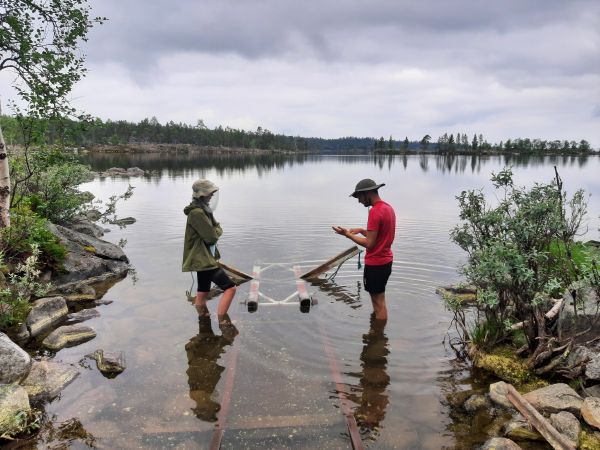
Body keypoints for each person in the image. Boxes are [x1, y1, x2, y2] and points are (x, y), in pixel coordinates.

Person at [332, 178, 396, 320]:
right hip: (386, 262)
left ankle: (378, 337)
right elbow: (381, 236)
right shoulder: (388, 208)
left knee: (378, 304)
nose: (359, 201)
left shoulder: (374, 212)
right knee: (380, 300)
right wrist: (362, 230)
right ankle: (378, 333)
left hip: (376, 264)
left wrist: (347, 234)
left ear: (367, 193)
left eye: (359, 197)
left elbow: (369, 244)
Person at [182, 179, 237, 324]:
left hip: (203, 257)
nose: (212, 195)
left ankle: (203, 319)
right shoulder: (197, 213)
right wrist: (217, 230)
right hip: (203, 259)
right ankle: (223, 321)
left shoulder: (204, 210)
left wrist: (216, 229)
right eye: (209, 192)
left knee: (203, 291)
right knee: (231, 288)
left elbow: (215, 228)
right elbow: (212, 237)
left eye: (213, 192)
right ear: (201, 194)